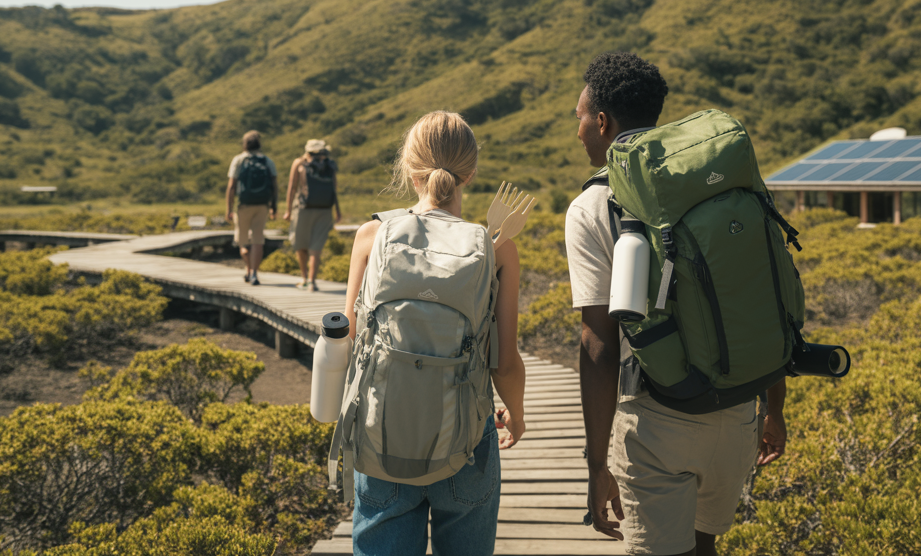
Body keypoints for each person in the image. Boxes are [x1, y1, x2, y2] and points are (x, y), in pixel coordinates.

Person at [567, 53, 789, 556]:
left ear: (602, 123)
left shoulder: (591, 206)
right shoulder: (718, 187)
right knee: (703, 547)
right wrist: (773, 410)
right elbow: (758, 298)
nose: (577, 130)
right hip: (737, 410)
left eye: (579, 118)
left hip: (655, 416)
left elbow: (599, 343)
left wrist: (597, 464)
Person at [343, 111, 526, 556]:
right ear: (471, 173)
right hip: (465, 443)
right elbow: (503, 362)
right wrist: (515, 414)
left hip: (382, 434)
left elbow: (348, 338)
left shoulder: (372, 235)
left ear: (409, 169)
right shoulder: (496, 247)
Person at [283, 139, 342, 290]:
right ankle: (312, 281)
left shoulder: (299, 163)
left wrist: (288, 210)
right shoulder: (329, 164)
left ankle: (304, 278)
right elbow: (334, 189)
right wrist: (337, 210)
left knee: (300, 244)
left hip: (303, 209)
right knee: (316, 247)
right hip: (325, 209)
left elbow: (292, 187)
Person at [226, 130, 278, 285]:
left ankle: (248, 269)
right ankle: (254, 272)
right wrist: (273, 206)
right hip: (262, 205)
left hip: (243, 205)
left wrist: (228, 208)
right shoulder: (267, 161)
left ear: (245, 144)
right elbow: (274, 186)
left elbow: (231, 186)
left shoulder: (239, 160)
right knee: (258, 239)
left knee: (242, 241)